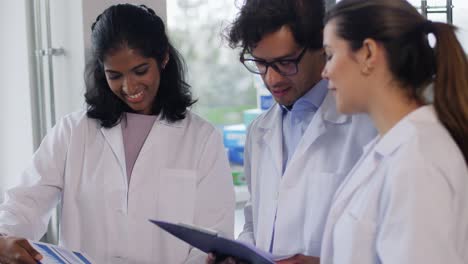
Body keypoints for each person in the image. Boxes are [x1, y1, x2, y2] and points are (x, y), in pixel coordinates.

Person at [0, 4, 235, 264]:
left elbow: (212, 235)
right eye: (114, 75)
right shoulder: (72, 132)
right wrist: (4, 239)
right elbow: (25, 203)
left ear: (164, 58)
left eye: (140, 70)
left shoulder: (201, 138)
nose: (129, 86)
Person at [207, 0, 376, 263]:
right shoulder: (259, 131)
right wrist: (239, 255)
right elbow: (254, 223)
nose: (271, 79)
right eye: (260, 63)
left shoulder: (364, 126)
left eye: (285, 63)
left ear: (321, 48)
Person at [320, 0, 468, 263]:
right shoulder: (396, 146)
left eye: (330, 55)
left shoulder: (418, 160)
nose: (325, 72)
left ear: (367, 53)